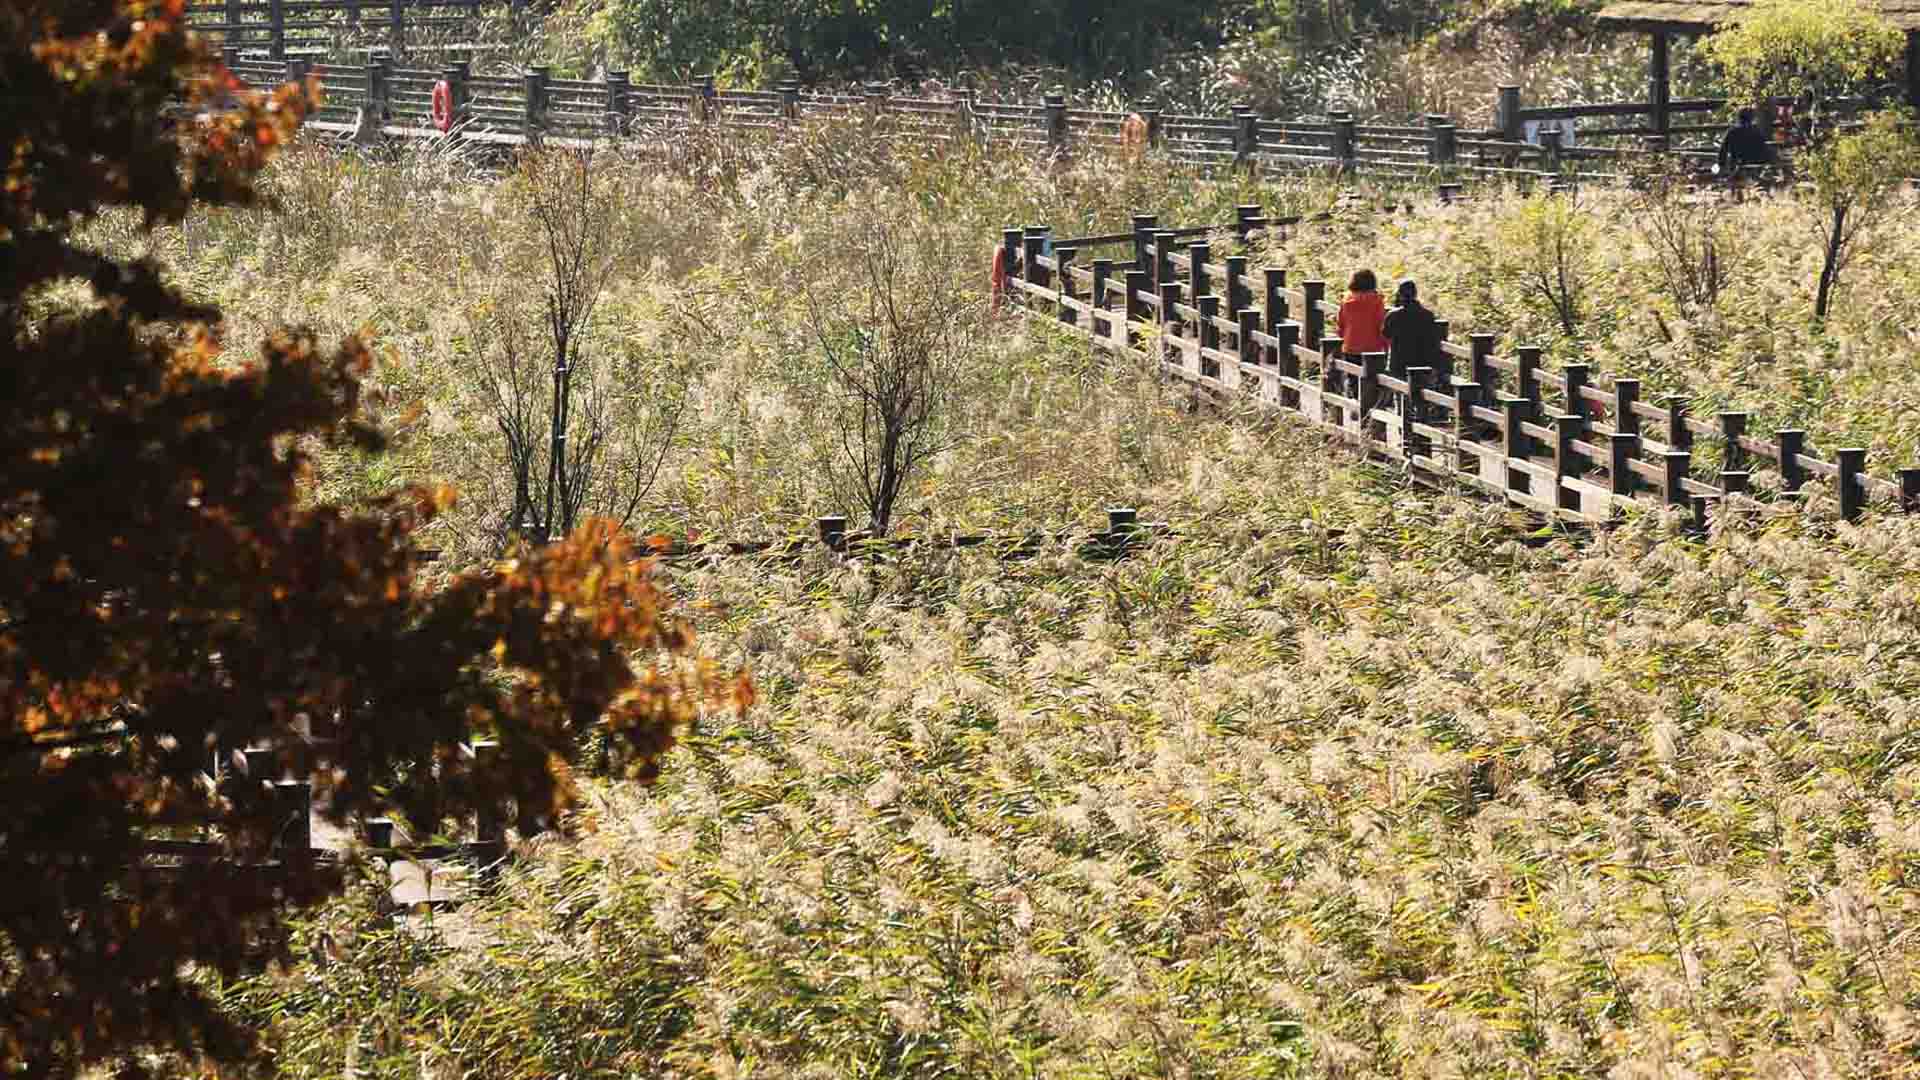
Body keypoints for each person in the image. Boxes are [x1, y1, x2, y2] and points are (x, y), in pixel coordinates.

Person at [1381, 280, 1441, 376]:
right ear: (1415, 294)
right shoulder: (1428, 315)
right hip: (1422, 362)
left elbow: (1386, 334)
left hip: (1399, 363)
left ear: (1399, 294)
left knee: (1399, 389)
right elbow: (1433, 339)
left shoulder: (1393, 315)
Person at [1336, 269, 1387, 361]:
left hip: (1350, 346)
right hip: (1372, 348)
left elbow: (1341, 326)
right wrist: (1385, 346)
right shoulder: (1377, 302)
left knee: (1351, 374)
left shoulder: (1346, 302)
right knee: (1371, 375)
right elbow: (1381, 325)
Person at [1717, 108, 1774, 176]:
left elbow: (1723, 150)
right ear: (1752, 118)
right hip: (1754, 163)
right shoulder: (1756, 131)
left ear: (1739, 117)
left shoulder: (1732, 131)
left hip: (1737, 163)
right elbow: (1764, 149)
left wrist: (1722, 165)